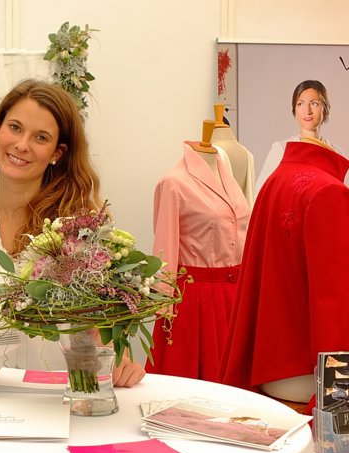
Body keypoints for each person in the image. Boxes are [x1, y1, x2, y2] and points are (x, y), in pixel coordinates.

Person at [0, 79, 144, 386]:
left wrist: (119, 361)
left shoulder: (82, 236)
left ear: (57, 153)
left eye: (41, 137)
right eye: (15, 128)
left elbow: (96, 337)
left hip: (60, 401)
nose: (22, 145)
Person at [220, 138, 349, 409]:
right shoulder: (329, 191)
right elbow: (332, 303)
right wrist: (337, 393)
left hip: (269, 367)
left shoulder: (276, 179)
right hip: (309, 372)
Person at [146, 120, 250, 382]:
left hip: (235, 295)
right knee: (194, 385)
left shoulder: (228, 177)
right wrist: (163, 301)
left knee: (238, 387)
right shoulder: (174, 183)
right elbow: (165, 247)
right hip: (195, 299)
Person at [254, 80, 345, 193]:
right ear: (295, 111)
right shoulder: (282, 149)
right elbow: (260, 192)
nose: (307, 111)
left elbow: (340, 196)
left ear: (325, 109)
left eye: (314, 103)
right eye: (300, 104)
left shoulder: (337, 153)